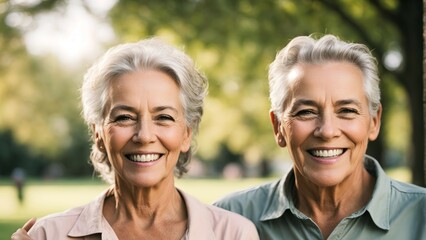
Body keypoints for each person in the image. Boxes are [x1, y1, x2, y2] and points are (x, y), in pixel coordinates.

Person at [11, 38, 259, 240]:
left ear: (186, 133)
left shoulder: (234, 234)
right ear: (98, 133)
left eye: (163, 117)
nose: (144, 135)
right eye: (124, 117)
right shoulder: (48, 235)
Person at [214, 34, 426, 239]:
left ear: (374, 121)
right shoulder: (227, 221)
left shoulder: (421, 217)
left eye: (347, 110)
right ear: (278, 126)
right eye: (306, 112)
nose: (327, 131)